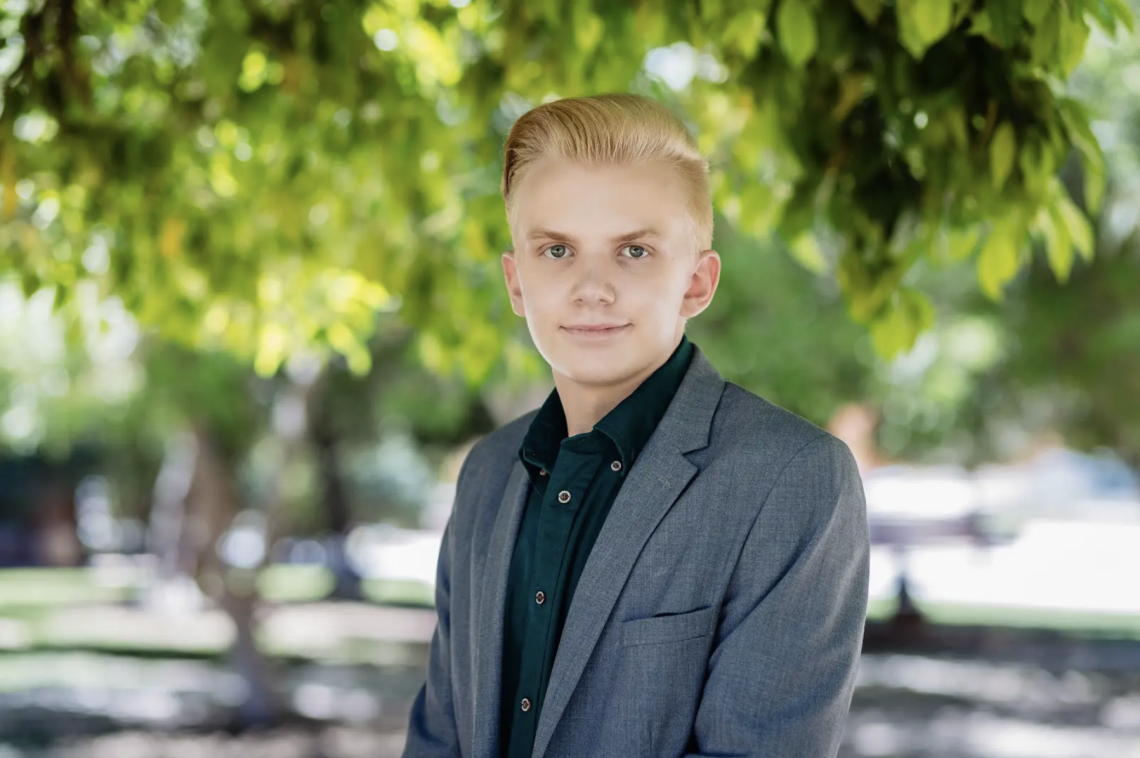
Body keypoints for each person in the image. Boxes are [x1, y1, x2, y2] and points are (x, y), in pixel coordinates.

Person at [402, 93, 869, 758]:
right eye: (557, 250)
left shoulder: (792, 479)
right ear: (515, 281)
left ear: (697, 283)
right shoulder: (485, 473)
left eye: (635, 251)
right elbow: (440, 740)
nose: (592, 287)